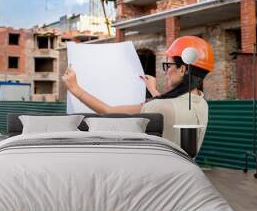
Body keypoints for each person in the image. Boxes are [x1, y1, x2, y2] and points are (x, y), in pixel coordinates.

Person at [62, 36, 214, 153]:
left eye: (168, 65)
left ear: (182, 69)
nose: (166, 72)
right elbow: (173, 107)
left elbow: (108, 111)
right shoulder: (201, 103)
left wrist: (75, 88)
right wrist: (154, 90)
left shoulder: (159, 107)